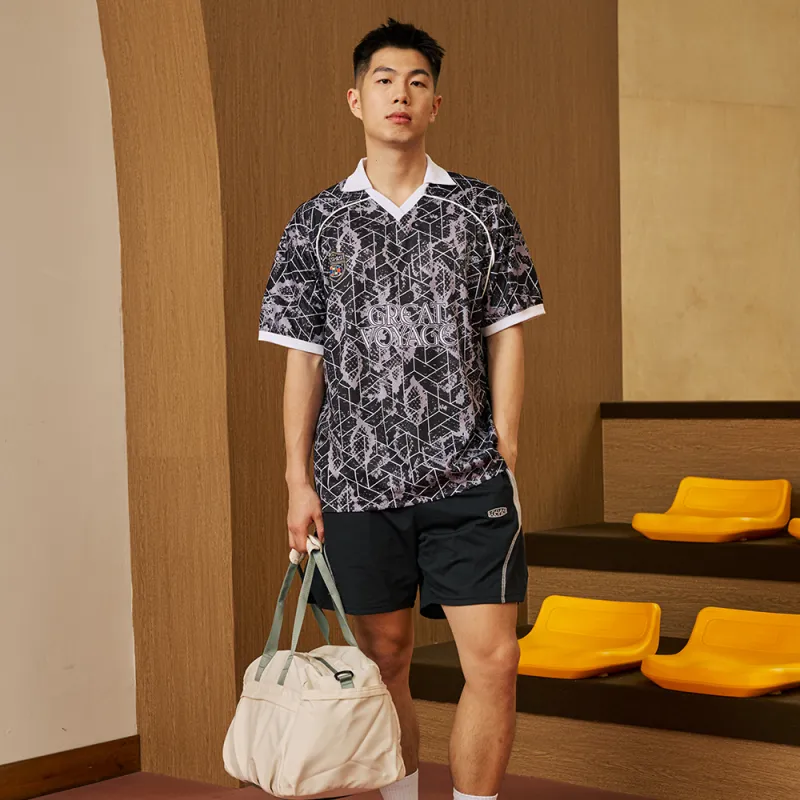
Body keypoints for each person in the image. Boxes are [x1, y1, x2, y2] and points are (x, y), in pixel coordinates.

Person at [258, 17, 545, 800]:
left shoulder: (481, 209)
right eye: (384, 80)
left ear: (435, 104)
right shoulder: (315, 222)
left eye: (417, 82)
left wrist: (505, 448)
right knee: (383, 662)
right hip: (355, 483)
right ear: (356, 99)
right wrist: (297, 480)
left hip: (467, 478)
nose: (401, 94)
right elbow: (302, 358)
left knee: (496, 661)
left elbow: (508, 334)